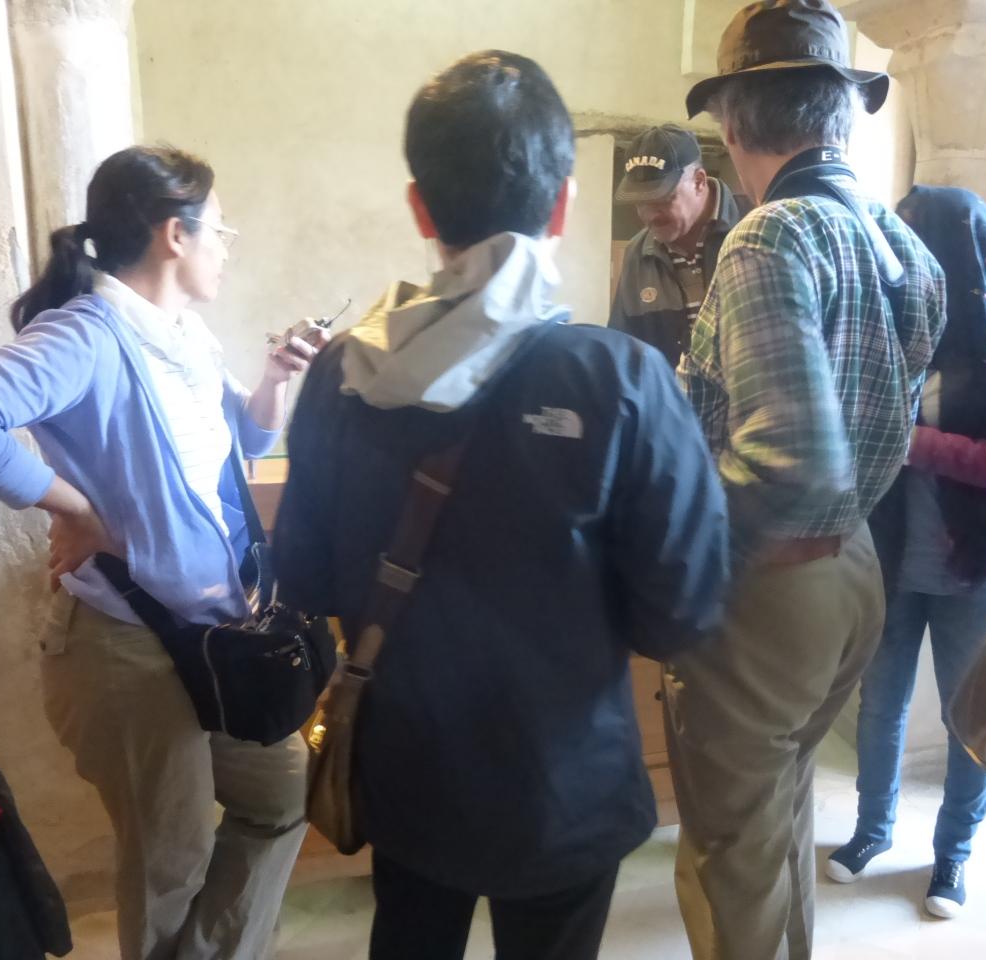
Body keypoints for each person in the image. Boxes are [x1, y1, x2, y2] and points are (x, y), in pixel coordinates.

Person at [272, 51, 729, 960]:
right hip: (565, 786)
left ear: (420, 208)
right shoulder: (622, 380)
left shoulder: (341, 377)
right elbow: (681, 612)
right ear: (562, 206)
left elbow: (305, 576)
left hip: (406, 774)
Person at [0, 145, 320, 960]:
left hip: (213, 629)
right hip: (123, 642)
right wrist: (77, 510)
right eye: (220, 229)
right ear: (176, 234)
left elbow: (248, 439)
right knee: (172, 860)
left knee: (281, 796)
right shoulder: (89, 335)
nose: (226, 246)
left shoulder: (184, 336)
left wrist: (277, 375)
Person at [664, 2, 947, 958]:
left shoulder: (768, 238)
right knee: (779, 813)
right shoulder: (902, 241)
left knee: (730, 858)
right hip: (856, 568)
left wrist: (666, 544)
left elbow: (789, 460)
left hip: (771, 584)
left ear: (733, 121)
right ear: (843, 113)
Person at [826, 185, 986, 917]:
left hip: (977, 568)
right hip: (888, 559)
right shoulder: (881, 326)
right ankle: (872, 830)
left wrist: (922, 445)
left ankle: (953, 855)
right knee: (879, 705)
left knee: (971, 718)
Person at [609, 124, 745, 367]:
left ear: (699, 181)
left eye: (663, 199)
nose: (650, 215)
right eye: (640, 203)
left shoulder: (754, 228)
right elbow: (623, 353)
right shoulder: (637, 256)